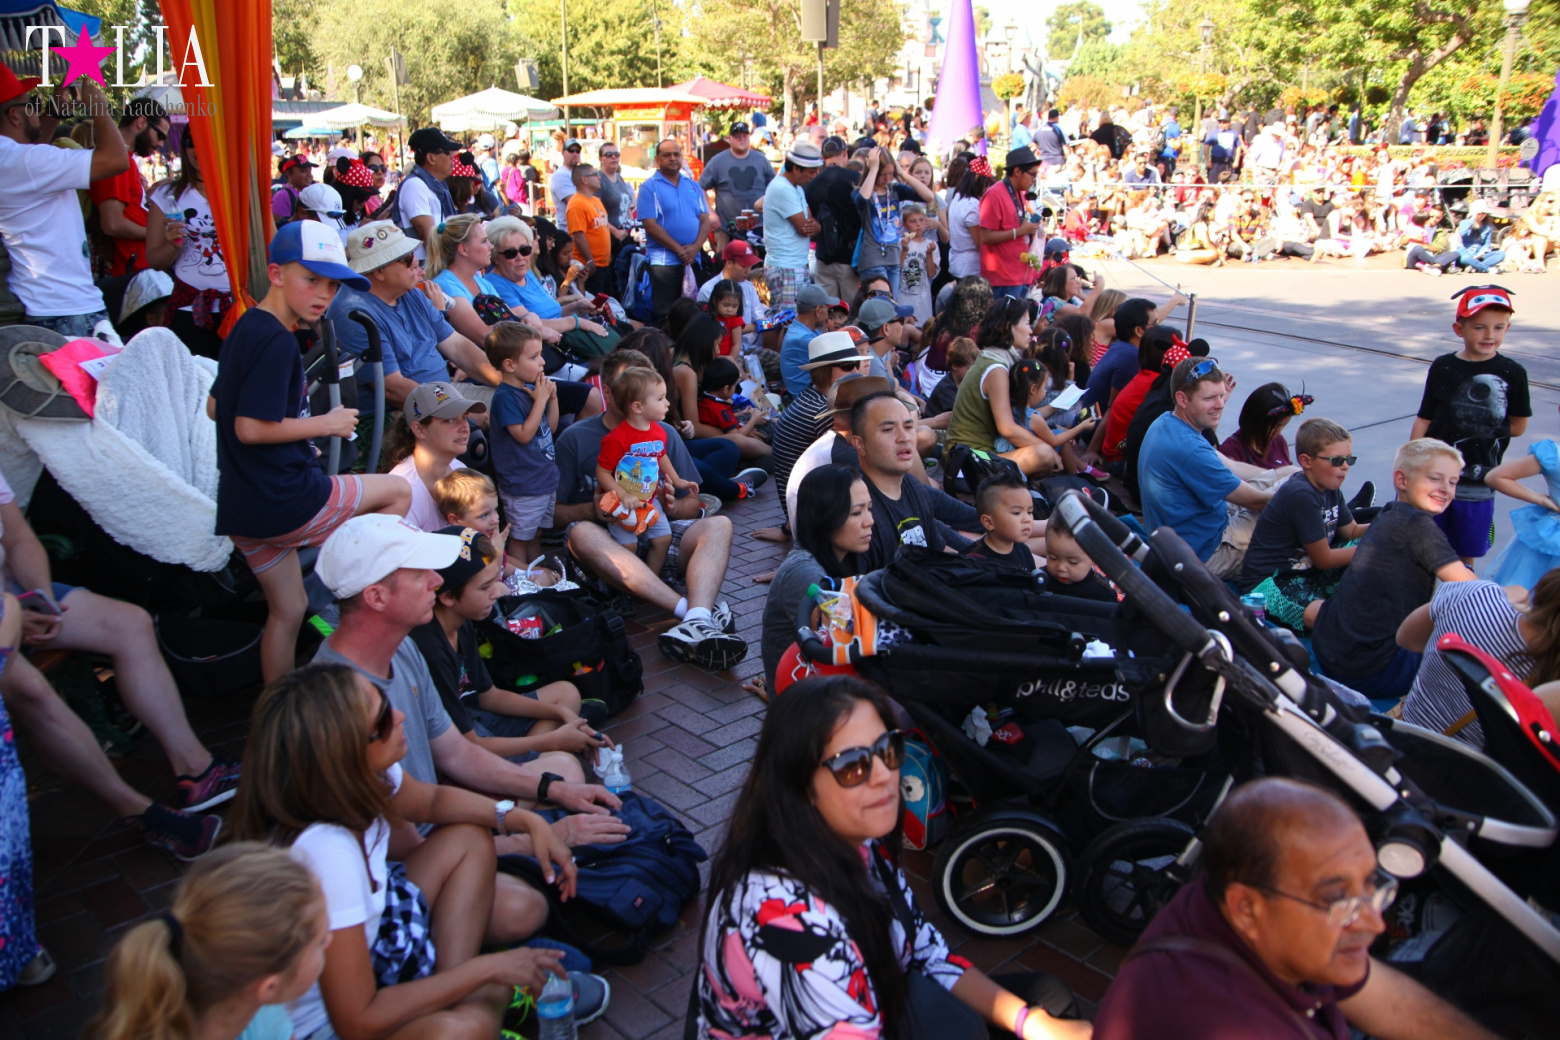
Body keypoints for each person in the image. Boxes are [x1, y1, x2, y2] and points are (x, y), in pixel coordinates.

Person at [696, 675, 1091, 1040]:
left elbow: (926, 952)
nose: (884, 774)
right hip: (860, 1016)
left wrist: (1030, 1024)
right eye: (852, 766)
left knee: (1048, 1001)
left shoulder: (861, 842)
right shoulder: (785, 915)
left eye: (887, 749)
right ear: (801, 788)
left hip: (883, 993)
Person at [231, 662, 594, 1040]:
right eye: (382, 719)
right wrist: (487, 971)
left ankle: (459, 991)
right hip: (327, 1025)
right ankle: (480, 994)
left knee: (468, 837)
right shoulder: (327, 853)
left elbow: (432, 801)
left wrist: (526, 821)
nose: (400, 716)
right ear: (346, 752)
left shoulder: (363, 775)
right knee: (465, 1030)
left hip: (373, 951)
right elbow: (357, 1022)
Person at [1093, 777, 1499, 1040]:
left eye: (1372, 886)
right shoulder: (1228, 1022)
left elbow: (1387, 1000)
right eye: (1340, 900)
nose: (1374, 923)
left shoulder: (1224, 907)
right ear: (1247, 908)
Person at [212, 220, 412, 684]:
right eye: (311, 280)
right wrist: (327, 423)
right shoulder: (277, 341)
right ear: (277, 274)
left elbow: (215, 407)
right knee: (396, 492)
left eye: (332, 285)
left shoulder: (247, 326)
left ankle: (276, 709)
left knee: (288, 609)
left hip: (243, 508)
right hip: (287, 498)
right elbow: (249, 428)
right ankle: (362, 603)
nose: (323, 294)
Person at [555, 351, 746, 669]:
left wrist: (673, 504)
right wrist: (591, 509)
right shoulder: (575, 438)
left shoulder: (663, 432)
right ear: (608, 392)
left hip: (654, 529)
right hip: (604, 554)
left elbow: (693, 504)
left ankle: (696, 617)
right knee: (582, 533)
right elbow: (552, 516)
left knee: (719, 525)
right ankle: (688, 612)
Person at [87, 843, 328, 1040]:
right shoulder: (256, 1005)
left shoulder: (261, 1010)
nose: (329, 940)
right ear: (269, 987)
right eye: (319, 942)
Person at [410, 527, 611, 762]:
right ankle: (538, 760)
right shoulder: (431, 650)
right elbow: (465, 746)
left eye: (495, 581)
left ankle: (536, 759)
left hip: (480, 720)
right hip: (464, 746)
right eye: (485, 587)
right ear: (447, 596)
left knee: (567, 694)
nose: (497, 592)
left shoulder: (460, 622)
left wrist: (561, 713)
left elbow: (489, 696)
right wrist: (552, 741)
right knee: (566, 767)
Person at [1312, 439, 1478, 706]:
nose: (1445, 489)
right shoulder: (1420, 527)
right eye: (1435, 478)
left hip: (1331, 653)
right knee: (1466, 654)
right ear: (1402, 479)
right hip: (1372, 671)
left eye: (1453, 482)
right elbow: (1473, 591)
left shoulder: (1389, 512)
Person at [327, 221, 503, 416]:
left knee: (519, 400)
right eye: (407, 258)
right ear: (378, 271)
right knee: (506, 413)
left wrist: (507, 381)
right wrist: (455, 409)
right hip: (403, 412)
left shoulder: (410, 292)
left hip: (442, 392)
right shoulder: (353, 313)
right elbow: (393, 388)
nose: (416, 262)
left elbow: (457, 346)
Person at [1410, 285, 1530, 566]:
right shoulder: (1443, 366)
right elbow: (1425, 417)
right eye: (1479, 327)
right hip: (1433, 475)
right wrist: (1412, 461)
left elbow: (1518, 426)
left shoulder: (1513, 372)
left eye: (1498, 327)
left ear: (1507, 328)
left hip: (1479, 480)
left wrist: (1482, 429)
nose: (1489, 335)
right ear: (1459, 329)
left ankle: (1463, 593)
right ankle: (1424, 593)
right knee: (1423, 548)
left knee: (1466, 553)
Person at [0, 72, 127, 335]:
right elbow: (116, 159)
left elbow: (30, 158)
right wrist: (99, 109)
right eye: (32, 104)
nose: (38, 109)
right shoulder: (25, 163)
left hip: (44, 304)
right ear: (14, 116)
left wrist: (54, 114)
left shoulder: (11, 160)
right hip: (68, 309)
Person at [1137, 357, 1274, 580]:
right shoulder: (1190, 449)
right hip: (1205, 554)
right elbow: (1258, 502)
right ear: (1182, 399)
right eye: (1210, 398)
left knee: (1288, 476)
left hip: (1181, 540)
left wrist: (1285, 476)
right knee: (1294, 510)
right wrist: (1300, 495)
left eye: (1221, 396)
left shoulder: (1167, 422)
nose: (1221, 404)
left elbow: (1230, 467)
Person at [1238, 418, 1372, 632]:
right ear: (1306, 461)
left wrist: (1386, 526)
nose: (1345, 466)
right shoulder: (1300, 494)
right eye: (1337, 460)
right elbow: (1324, 559)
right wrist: (1376, 549)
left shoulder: (1330, 487)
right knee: (1326, 617)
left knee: (1381, 548)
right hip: (1272, 583)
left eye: (1349, 459)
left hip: (1308, 575)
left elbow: (1352, 531)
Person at [1400, 570, 1559, 748]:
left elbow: (1406, 639)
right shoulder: (1552, 683)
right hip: (1462, 763)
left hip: (1401, 735)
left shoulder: (1477, 595)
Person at [761, 465, 874, 693]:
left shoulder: (847, 556)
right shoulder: (804, 572)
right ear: (824, 517)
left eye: (869, 509)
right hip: (805, 703)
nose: (869, 520)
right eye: (856, 513)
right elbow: (847, 638)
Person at [946, 297, 1060, 477]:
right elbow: (1007, 428)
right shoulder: (996, 369)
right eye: (1027, 323)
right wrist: (1048, 448)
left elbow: (1020, 416)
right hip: (968, 460)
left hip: (980, 453)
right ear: (1008, 326)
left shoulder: (995, 358)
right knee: (1044, 454)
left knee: (1055, 436)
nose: (1031, 330)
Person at [485, 322, 560, 569]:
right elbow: (523, 435)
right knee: (519, 538)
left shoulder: (529, 390)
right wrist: (540, 401)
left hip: (543, 480)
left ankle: (536, 575)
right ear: (510, 365)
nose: (542, 362)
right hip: (523, 486)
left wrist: (552, 399)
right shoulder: (505, 398)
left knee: (536, 533)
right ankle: (522, 579)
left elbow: (549, 428)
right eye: (534, 356)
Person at [773, 333, 868, 512]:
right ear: (825, 370)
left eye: (856, 364)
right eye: (848, 365)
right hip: (812, 511)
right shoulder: (824, 411)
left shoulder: (812, 397)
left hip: (807, 504)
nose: (856, 371)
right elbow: (860, 457)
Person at [383, 381, 485, 532]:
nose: (464, 427)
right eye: (449, 420)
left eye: (464, 417)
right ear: (419, 430)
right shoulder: (404, 492)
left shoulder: (458, 468)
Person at [638, 139, 714, 326]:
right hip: (664, 264)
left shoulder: (693, 186)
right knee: (666, 316)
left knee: (692, 314)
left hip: (692, 260)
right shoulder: (649, 187)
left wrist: (695, 248)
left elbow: (705, 220)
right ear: (657, 159)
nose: (672, 158)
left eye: (676, 154)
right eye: (667, 155)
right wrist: (679, 250)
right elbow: (650, 225)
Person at [90, 97, 167, 277]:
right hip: (133, 273)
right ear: (141, 122)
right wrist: (157, 234)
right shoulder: (118, 161)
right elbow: (112, 224)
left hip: (139, 269)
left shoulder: (123, 159)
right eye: (160, 135)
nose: (161, 144)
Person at [856, 147, 936, 298]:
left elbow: (929, 196)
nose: (887, 178)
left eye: (890, 173)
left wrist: (902, 173)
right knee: (881, 303)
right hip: (873, 259)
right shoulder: (863, 191)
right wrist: (873, 170)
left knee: (892, 304)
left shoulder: (894, 189)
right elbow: (862, 200)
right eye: (883, 174)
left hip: (893, 258)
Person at [1484, 432, 1560, 588]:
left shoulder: (1555, 454)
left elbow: (1496, 477)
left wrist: (1539, 499)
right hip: (1551, 542)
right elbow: (1496, 477)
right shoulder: (1554, 455)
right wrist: (1539, 499)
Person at [761, 142, 823, 313]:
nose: (815, 175)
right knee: (786, 319)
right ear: (796, 169)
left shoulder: (795, 188)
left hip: (794, 264)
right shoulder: (783, 188)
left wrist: (815, 225)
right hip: (786, 266)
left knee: (795, 316)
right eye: (812, 171)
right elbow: (805, 228)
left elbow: (809, 220)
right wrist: (817, 227)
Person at [977, 146, 1044, 300]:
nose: (1034, 180)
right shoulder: (995, 194)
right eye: (1032, 174)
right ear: (1017, 171)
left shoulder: (1019, 193)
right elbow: (985, 237)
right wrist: (1020, 231)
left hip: (1021, 274)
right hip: (1003, 278)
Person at [806, 136, 866, 300]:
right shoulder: (855, 178)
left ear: (823, 157)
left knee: (827, 310)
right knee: (852, 310)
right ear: (845, 153)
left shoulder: (811, 184)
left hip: (823, 257)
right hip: (850, 258)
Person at [701, 122, 776, 250]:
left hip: (758, 228)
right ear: (730, 138)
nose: (741, 139)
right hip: (727, 227)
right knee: (725, 260)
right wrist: (711, 213)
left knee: (758, 262)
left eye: (744, 136)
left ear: (749, 137)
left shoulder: (761, 159)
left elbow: (774, 186)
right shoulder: (718, 161)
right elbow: (700, 188)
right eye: (737, 136)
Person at [390, 126, 460, 261]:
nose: (452, 156)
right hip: (424, 268)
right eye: (447, 152)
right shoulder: (415, 185)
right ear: (431, 158)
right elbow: (429, 237)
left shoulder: (437, 185)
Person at [963, 472, 1037, 572]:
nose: (1027, 519)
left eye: (1029, 512)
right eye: (1016, 513)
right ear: (988, 522)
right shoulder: (973, 561)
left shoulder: (1023, 551)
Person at [1220, 382, 1303, 469]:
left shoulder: (1279, 442)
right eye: (1275, 426)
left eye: (1284, 425)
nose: (1278, 432)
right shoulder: (1232, 450)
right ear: (1256, 419)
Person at [780, 284, 841, 396]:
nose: (828, 315)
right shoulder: (803, 338)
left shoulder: (806, 331)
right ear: (818, 310)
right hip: (807, 400)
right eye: (828, 309)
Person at [565, 163, 614, 297]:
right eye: (595, 175)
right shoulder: (576, 204)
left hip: (603, 265)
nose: (599, 177)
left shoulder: (596, 200)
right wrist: (589, 261)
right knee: (593, 304)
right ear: (584, 179)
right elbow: (578, 236)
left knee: (607, 303)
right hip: (589, 269)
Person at [1040, 523, 1117, 602]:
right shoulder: (1039, 579)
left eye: (1073, 562)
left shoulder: (1103, 593)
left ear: (1094, 558)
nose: (1061, 567)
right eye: (1053, 558)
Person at [271, 154, 315, 224]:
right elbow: (280, 227)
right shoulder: (282, 196)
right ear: (289, 174)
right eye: (303, 171)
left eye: (310, 171)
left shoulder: (308, 192)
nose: (310, 175)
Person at [549, 138, 583, 213]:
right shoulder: (560, 175)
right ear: (563, 153)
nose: (575, 154)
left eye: (577, 151)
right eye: (571, 150)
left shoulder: (582, 173)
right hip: (569, 220)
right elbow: (575, 202)